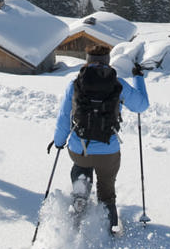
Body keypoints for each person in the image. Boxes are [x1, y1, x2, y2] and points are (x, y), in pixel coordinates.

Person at [49, 44, 149, 232]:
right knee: (107, 192)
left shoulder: (75, 83)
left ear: (87, 60)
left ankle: (80, 196)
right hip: (108, 151)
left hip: (79, 149)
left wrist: (59, 141)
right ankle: (109, 228)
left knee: (81, 166)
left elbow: (64, 117)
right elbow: (141, 106)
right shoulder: (118, 84)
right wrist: (138, 78)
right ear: (107, 60)